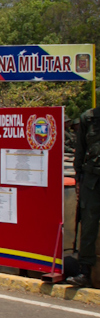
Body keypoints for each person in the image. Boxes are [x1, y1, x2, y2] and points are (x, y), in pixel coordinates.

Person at [71, 105, 99, 287]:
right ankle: (85, 272)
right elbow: (80, 151)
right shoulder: (88, 117)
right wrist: (78, 178)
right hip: (92, 181)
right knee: (88, 225)